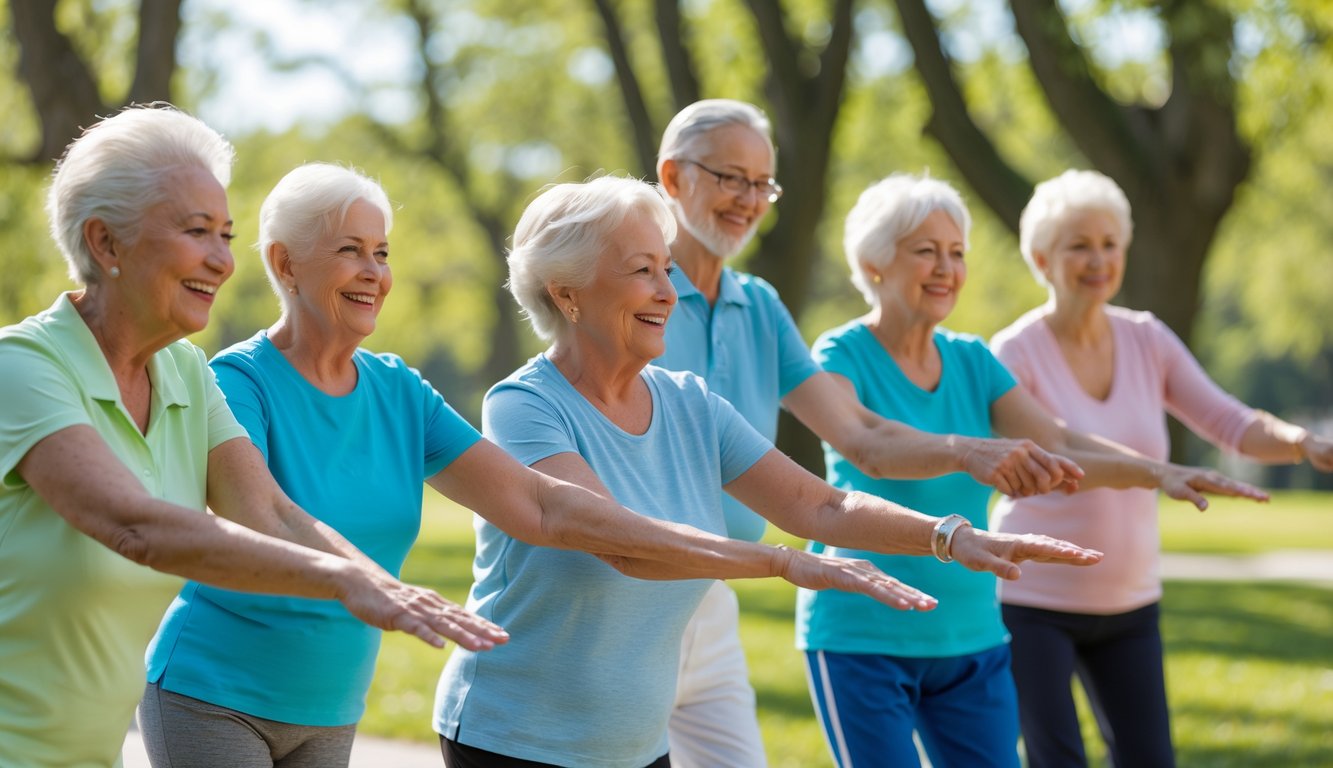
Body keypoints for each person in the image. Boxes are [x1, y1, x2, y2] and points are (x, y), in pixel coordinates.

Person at [137, 163, 875, 768]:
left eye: (383, 252)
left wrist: (776, 558)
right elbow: (262, 514)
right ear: (282, 263)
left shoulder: (399, 391)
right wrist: (371, 582)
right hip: (217, 689)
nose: (374, 273)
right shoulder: (237, 381)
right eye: (349, 251)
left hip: (329, 701)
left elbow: (542, 506)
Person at [432, 175, 1104, 768]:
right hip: (513, 736)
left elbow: (823, 508)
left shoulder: (689, 403)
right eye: (642, 271)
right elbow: (613, 538)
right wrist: (783, 564)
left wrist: (950, 536)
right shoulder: (524, 406)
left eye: (667, 270)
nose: (667, 293)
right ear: (567, 293)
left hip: (631, 744)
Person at [0, 105, 507, 768]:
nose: (221, 260)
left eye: (226, 234)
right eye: (196, 232)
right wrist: (342, 580)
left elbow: (265, 509)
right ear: (105, 242)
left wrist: (371, 579)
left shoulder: (183, 372)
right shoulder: (23, 368)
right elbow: (134, 526)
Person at [653, 98, 1084, 767]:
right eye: (728, 178)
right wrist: (964, 452)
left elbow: (858, 437)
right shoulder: (633, 290)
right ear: (673, 178)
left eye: (760, 183)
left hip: (709, 598)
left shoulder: (758, 305)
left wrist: (966, 453)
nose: (747, 199)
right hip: (622, 583)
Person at [797, 172, 1270, 768]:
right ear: (874, 265)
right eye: (926, 252)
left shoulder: (972, 359)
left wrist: (1156, 472)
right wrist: (966, 449)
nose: (946, 268)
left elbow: (1060, 440)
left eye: (957, 253)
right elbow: (869, 447)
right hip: (862, 634)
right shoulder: (839, 354)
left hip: (972, 635)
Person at [990, 169, 1333, 768]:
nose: (1099, 259)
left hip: (1130, 601)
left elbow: (1230, 421)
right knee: (1056, 760)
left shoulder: (1148, 339)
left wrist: (1302, 442)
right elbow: (1056, 460)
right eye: (1079, 246)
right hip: (1033, 600)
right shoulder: (1013, 353)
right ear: (1042, 259)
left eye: (1110, 244)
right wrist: (1157, 473)